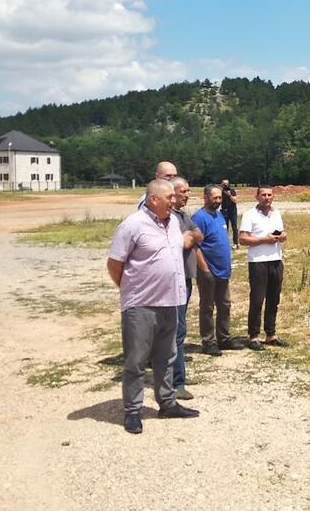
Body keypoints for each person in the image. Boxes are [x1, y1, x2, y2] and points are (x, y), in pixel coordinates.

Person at [107, 179, 200, 434]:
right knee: (136, 360)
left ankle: (167, 402)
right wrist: (131, 290)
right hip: (141, 305)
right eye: (169, 197)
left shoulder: (172, 222)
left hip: (171, 302)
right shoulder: (133, 225)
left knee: (167, 357)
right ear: (153, 200)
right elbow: (114, 264)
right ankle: (133, 411)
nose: (174, 200)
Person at [192, 184, 243, 356]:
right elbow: (195, 246)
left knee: (224, 305)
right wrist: (204, 269)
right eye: (215, 198)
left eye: (220, 198)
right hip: (208, 270)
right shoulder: (199, 218)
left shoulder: (220, 215)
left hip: (223, 270)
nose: (218, 201)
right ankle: (208, 341)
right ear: (205, 198)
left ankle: (224, 338)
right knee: (207, 306)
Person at [168, 177, 204, 401]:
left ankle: (178, 374)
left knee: (180, 328)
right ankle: (175, 381)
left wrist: (190, 235)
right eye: (182, 191)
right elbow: (183, 243)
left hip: (185, 278)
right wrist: (188, 237)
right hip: (172, 280)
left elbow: (198, 235)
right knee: (176, 330)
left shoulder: (183, 215)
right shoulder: (169, 218)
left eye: (188, 191)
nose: (186, 195)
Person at [239, 185, 288, 350]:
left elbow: (279, 232)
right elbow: (243, 239)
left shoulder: (276, 213)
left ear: (273, 197)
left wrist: (282, 236)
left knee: (274, 299)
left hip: (276, 260)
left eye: (269, 195)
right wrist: (263, 240)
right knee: (257, 300)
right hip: (258, 261)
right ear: (257, 197)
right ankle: (253, 336)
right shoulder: (249, 215)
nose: (267, 197)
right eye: (263, 195)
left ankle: (270, 334)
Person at [220, 179, 239, 247]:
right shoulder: (220, 192)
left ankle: (236, 243)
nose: (225, 185)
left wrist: (229, 195)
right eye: (224, 184)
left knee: (234, 227)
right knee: (225, 227)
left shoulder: (231, 190)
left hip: (232, 211)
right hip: (224, 211)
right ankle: (225, 243)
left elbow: (235, 200)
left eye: (226, 184)